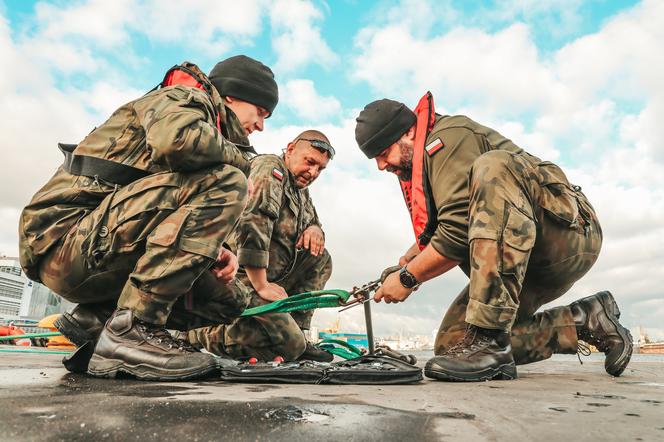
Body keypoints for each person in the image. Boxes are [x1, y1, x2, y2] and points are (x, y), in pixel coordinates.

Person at [18, 55, 279, 380]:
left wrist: (212, 249)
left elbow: (165, 205)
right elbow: (177, 141)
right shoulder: (182, 97)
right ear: (232, 96)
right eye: (261, 112)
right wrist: (242, 164)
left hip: (94, 250)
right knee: (227, 181)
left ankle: (100, 321)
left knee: (229, 299)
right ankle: (133, 329)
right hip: (64, 242)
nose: (261, 125)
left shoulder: (206, 128)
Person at [354, 93, 633, 381]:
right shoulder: (426, 162)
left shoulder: (448, 139)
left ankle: (490, 344)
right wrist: (409, 261)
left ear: (409, 131)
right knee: (454, 346)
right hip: (521, 257)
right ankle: (586, 320)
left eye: (383, 153)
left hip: (567, 235)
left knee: (493, 166)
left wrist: (408, 278)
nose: (381, 165)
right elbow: (456, 221)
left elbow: (457, 232)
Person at [186, 130, 334, 362]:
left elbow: (313, 221)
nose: (313, 172)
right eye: (310, 162)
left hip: (271, 283)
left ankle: (298, 333)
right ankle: (191, 334)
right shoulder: (269, 168)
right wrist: (261, 284)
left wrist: (315, 229)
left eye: (321, 169)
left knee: (321, 258)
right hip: (240, 281)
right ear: (291, 148)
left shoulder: (300, 191)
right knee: (289, 347)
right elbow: (253, 223)